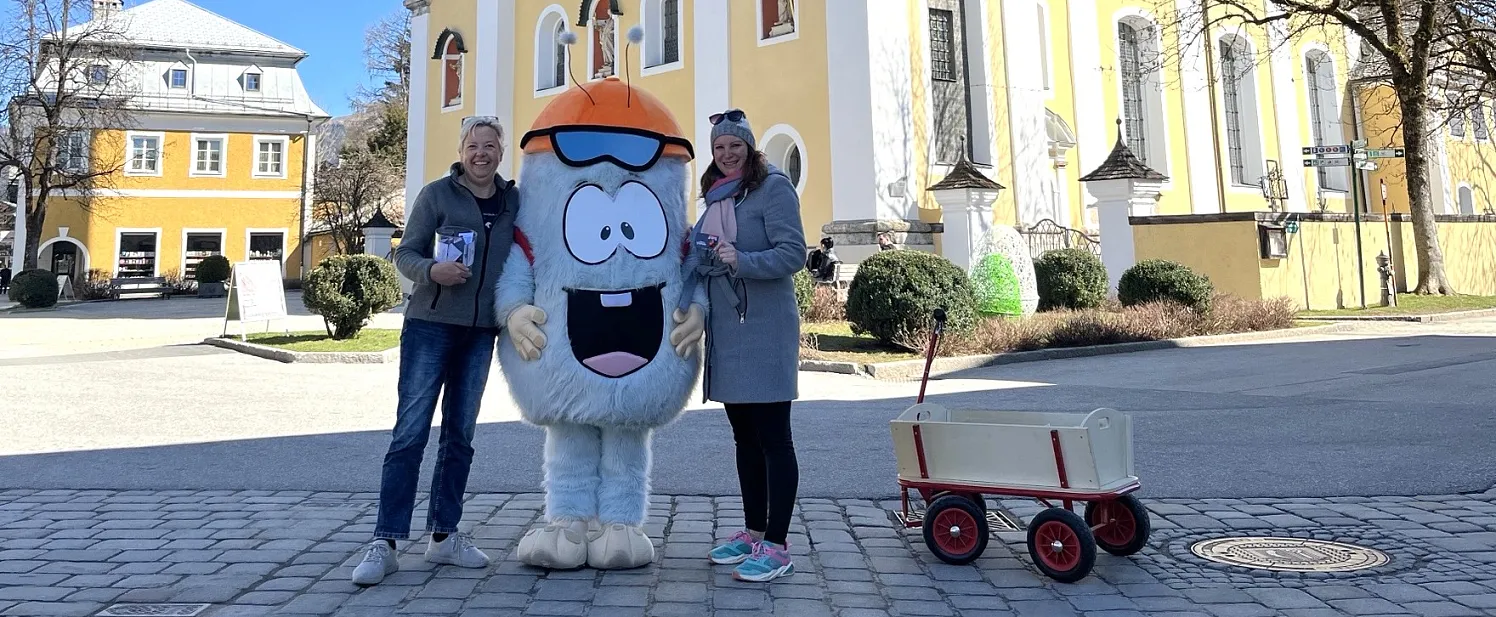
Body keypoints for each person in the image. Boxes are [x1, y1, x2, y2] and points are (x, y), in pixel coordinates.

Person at [351, 116, 520, 586]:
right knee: (410, 434)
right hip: (430, 325)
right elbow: (404, 253)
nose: (481, 153)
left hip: (480, 332)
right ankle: (384, 542)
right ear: (462, 151)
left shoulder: (512, 201)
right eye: (473, 145)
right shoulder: (436, 195)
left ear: (500, 152)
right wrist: (431, 271)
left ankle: (444, 537)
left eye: (490, 145)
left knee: (460, 437)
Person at [686, 108, 805, 583]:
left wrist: (743, 258)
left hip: (766, 330)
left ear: (750, 148)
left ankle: (777, 545)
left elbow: (792, 252)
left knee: (775, 439)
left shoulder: (773, 188)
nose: (727, 153)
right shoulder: (717, 197)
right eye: (719, 147)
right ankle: (754, 530)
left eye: (735, 145)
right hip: (729, 332)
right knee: (744, 439)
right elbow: (706, 254)